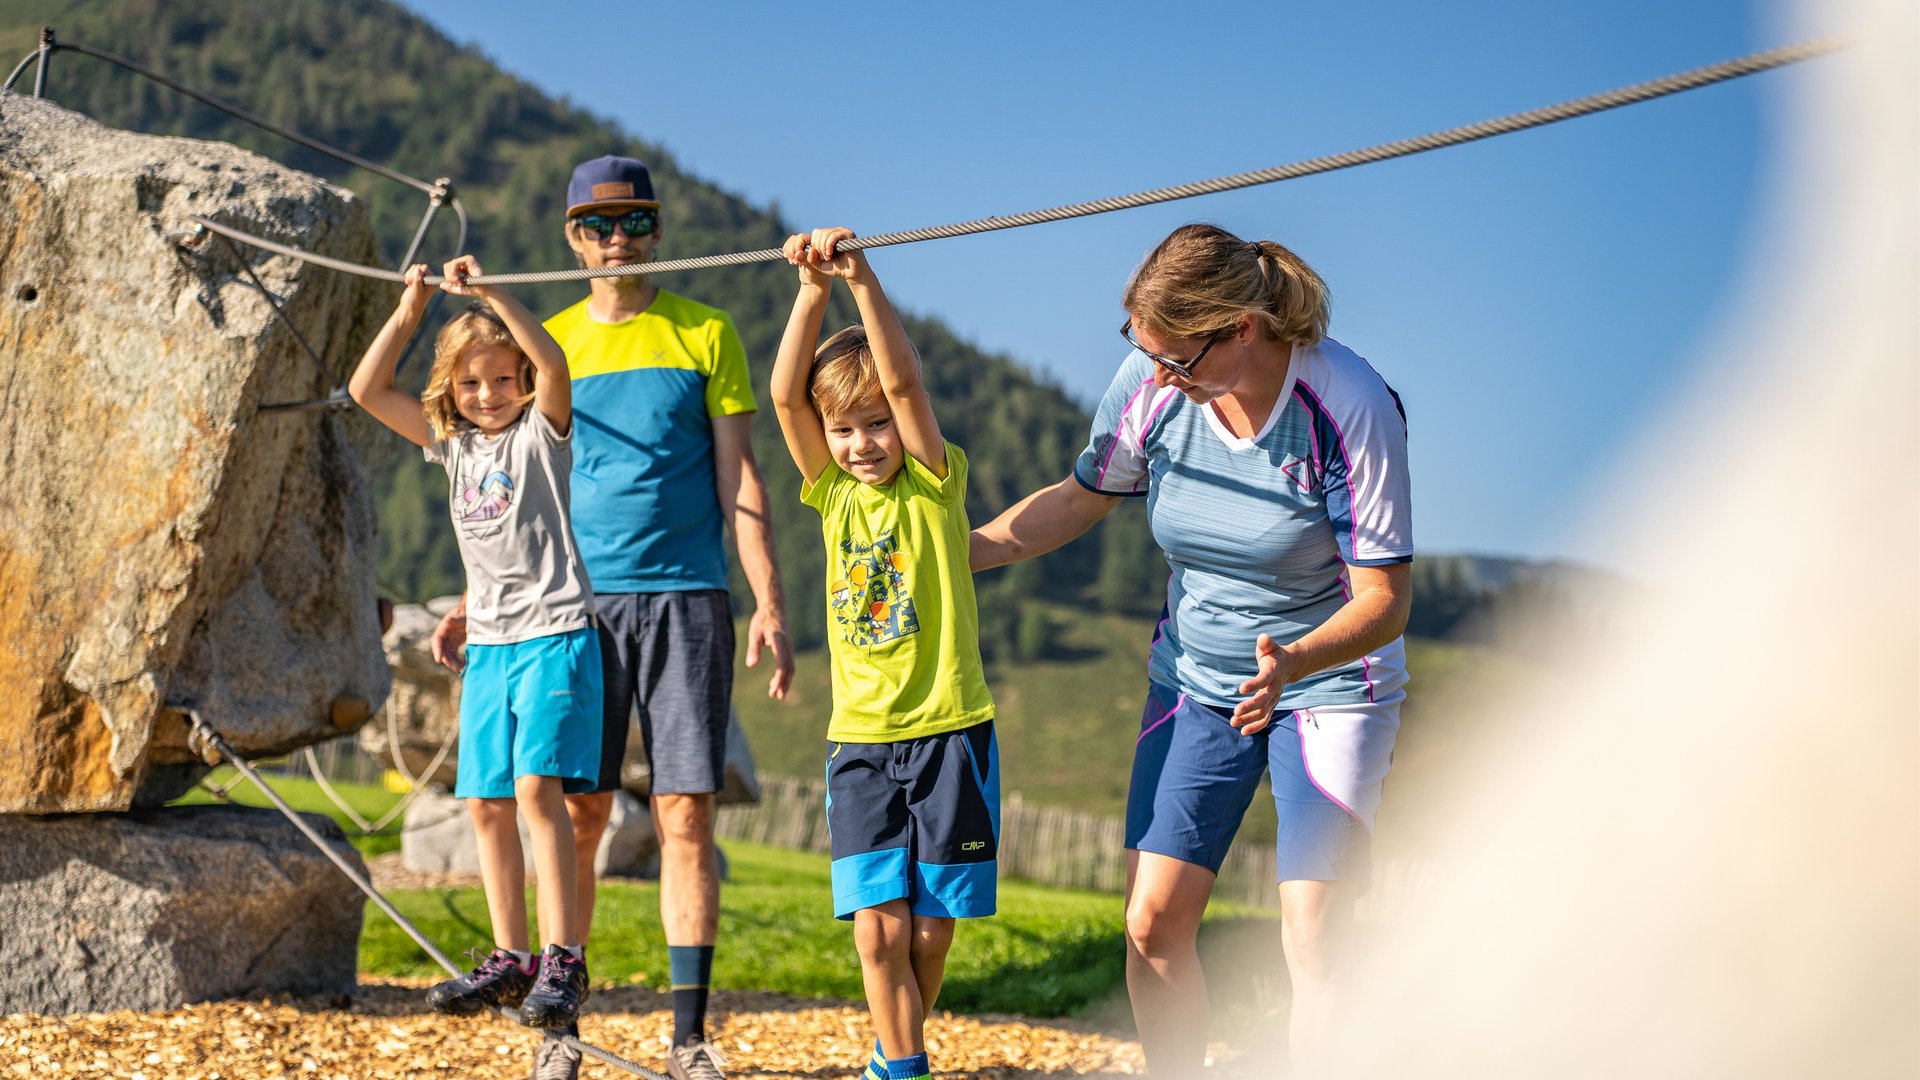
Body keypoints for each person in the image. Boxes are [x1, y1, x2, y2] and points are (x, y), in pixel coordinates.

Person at [970, 223, 1413, 1077]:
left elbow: (1385, 602)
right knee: (1152, 921)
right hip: (1195, 678)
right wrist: (961, 550)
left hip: (1329, 685)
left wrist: (1293, 662)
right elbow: (1080, 497)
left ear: (1242, 328)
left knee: (1316, 937)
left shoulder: (1350, 403)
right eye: (1149, 355)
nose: (1160, 375)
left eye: (1177, 359)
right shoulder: (1154, 379)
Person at [431, 156, 793, 1080]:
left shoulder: (707, 332)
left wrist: (768, 600)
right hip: (568, 610)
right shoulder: (541, 346)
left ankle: (689, 1042)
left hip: (686, 597)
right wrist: (477, 600)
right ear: (571, 240)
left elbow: (740, 477)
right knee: (577, 812)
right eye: (598, 227)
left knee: (685, 816)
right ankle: (560, 1036)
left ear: (658, 229)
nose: (616, 240)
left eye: (634, 222)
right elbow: (507, 495)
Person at [349, 256, 602, 1033]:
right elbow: (365, 390)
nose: (487, 395)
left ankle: (564, 958)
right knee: (484, 803)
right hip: (490, 645)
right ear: (450, 391)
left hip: (555, 633)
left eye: (501, 379)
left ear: (522, 383)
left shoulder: (541, 434)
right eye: (470, 383)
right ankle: (511, 958)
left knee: (535, 794)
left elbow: (556, 361)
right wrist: (412, 306)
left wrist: (491, 293)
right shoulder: (452, 446)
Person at [769, 227, 999, 1080]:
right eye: (845, 429)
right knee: (879, 929)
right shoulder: (830, 499)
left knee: (931, 933)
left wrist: (862, 281)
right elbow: (787, 398)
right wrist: (809, 291)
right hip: (862, 740)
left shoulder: (935, 485)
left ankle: (887, 1053)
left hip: (950, 733)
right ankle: (905, 1071)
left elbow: (900, 381)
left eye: (875, 425)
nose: (862, 442)